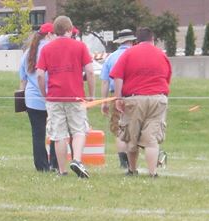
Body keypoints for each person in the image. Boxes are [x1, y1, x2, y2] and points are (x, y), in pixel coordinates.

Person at [36, 15, 95, 179]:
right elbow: (90, 71)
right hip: (75, 96)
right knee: (79, 130)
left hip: (54, 97)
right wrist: (91, 94)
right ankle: (77, 159)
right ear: (70, 30)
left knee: (58, 134)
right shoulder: (80, 46)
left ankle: (62, 170)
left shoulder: (46, 48)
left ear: (55, 30)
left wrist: (44, 95)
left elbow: (40, 75)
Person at [110, 27, 172, 178]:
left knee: (132, 137)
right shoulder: (161, 54)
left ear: (137, 40)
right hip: (158, 99)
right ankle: (153, 173)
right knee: (152, 139)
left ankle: (132, 170)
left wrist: (118, 98)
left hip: (134, 99)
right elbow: (167, 77)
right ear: (152, 39)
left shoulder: (129, 53)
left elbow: (118, 76)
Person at [19, 24, 55, 172]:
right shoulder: (52, 50)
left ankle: (41, 165)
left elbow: (23, 79)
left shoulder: (28, 53)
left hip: (32, 98)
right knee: (55, 131)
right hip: (52, 96)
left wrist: (21, 101)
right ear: (49, 35)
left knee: (38, 133)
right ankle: (55, 162)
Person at [100, 28, 135, 170]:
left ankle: (124, 163)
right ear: (132, 41)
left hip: (116, 96)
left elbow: (104, 82)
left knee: (119, 129)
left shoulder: (111, 57)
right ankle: (134, 160)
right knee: (134, 128)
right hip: (134, 95)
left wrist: (104, 102)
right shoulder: (135, 54)